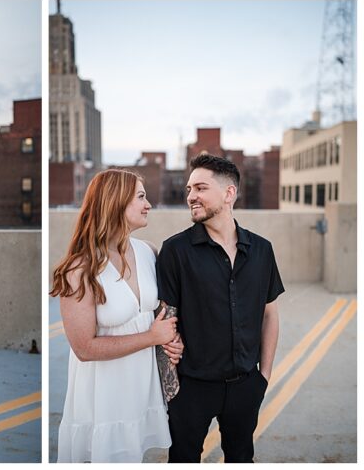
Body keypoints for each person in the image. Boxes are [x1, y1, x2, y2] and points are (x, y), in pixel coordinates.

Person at [51, 169, 184, 463]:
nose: (148, 204)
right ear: (115, 202)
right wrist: (151, 337)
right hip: (104, 400)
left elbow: (162, 315)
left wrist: (172, 341)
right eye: (140, 197)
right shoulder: (80, 269)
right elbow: (84, 348)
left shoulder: (148, 251)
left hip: (140, 391)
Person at [158, 154, 283, 463]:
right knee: (183, 460)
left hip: (245, 385)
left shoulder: (262, 250)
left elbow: (270, 315)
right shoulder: (175, 250)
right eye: (189, 189)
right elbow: (165, 321)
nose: (191, 196)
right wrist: (173, 391)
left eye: (200, 188)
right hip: (192, 390)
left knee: (241, 458)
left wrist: (262, 378)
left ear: (229, 194)